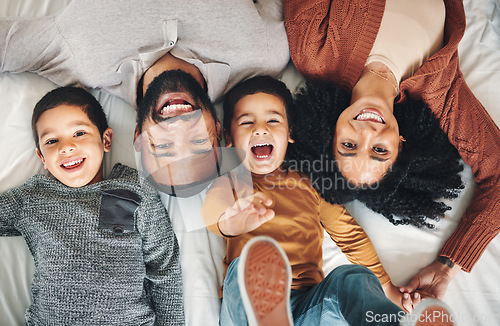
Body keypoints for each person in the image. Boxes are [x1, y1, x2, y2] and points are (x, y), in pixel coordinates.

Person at [1, 2, 290, 323]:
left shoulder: (80, 54)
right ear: (219, 131)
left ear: (137, 136)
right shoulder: (265, 50)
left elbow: (163, 270)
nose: (179, 126)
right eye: (198, 142)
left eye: (163, 146)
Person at [284, 0, 500, 300]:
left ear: (332, 132)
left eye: (349, 146)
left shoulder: (315, 51)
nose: (367, 133)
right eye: (379, 151)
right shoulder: (440, 92)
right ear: (401, 144)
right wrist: (448, 265)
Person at [201, 76, 412, 325]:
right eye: (247, 122)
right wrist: (231, 221)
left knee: (353, 278)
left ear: (290, 132)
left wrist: (386, 289)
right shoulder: (232, 181)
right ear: (229, 138)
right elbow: (212, 211)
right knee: (244, 269)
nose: (260, 129)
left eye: (272, 120)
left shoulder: (310, 183)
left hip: (307, 306)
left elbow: (349, 235)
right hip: (250, 299)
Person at [0, 87, 184, 325]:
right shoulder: (33, 198)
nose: (66, 147)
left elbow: (165, 267)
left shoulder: (135, 192)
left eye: (79, 133)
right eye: (52, 141)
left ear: (106, 140)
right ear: (42, 158)